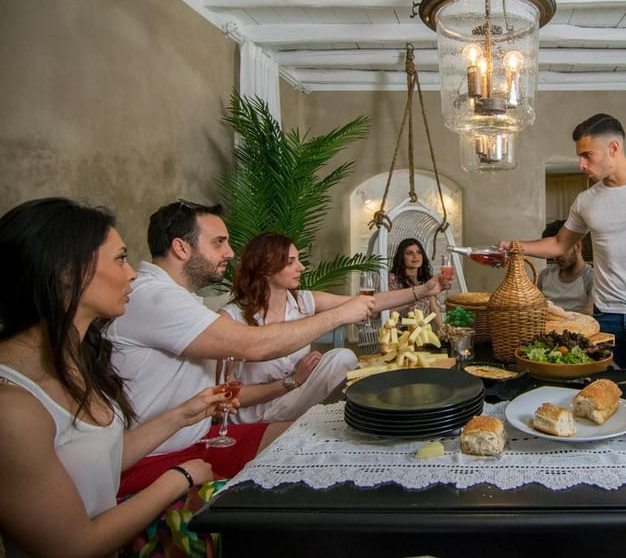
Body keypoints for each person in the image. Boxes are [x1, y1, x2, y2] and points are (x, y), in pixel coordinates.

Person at [0, 197, 230, 558]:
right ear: (67, 271)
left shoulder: (77, 359)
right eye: (120, 258)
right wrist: (178, 478)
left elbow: (96, 457)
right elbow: (74, 546)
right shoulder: (12, 407)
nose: (133, 273)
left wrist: (183, 414)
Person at [106, 200, 378, 498]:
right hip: (156, 456)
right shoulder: (155, 297)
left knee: (325, 435)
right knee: (315, 452)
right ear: (181, 248)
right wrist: (341, 314)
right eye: (219, 242)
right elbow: (256, 345)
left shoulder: (179, 298)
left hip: (201, 438)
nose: (230, 252)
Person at [498, 113, 626, 368]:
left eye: (587, 155)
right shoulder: (586, 200)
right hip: (606, 315)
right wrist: (514, 246)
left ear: (614, 148)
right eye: (580, 156)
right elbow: (560, 244)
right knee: (607, 389)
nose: (581, 164)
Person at [219, 232, 448, 422]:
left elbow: (370, 302)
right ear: (265, 268)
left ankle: (346, 421)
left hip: (294, 397)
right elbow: (227, 397)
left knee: (342, 357)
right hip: (257, 413)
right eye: (290, 262)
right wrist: (292, 382)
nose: (301, 267)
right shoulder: (231, 318)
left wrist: (424, 290)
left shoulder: (302, 301)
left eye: (298, 259)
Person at [536, 219, 594, 314]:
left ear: (578, 246)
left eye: (560, 250)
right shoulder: (544, 276)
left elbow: (589, 317)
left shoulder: (591, 278)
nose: (555, 258)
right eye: (552, 252)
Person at [387, 237, 442, 327]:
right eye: (409, 253)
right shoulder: (393, 279)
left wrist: (443, 329)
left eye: (418, 252)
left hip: (425, 331)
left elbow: (434, 308)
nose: (415, 256)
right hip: (401, 331)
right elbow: (386, 311)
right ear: (402, 257)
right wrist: (408, 303)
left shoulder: (426, 279)